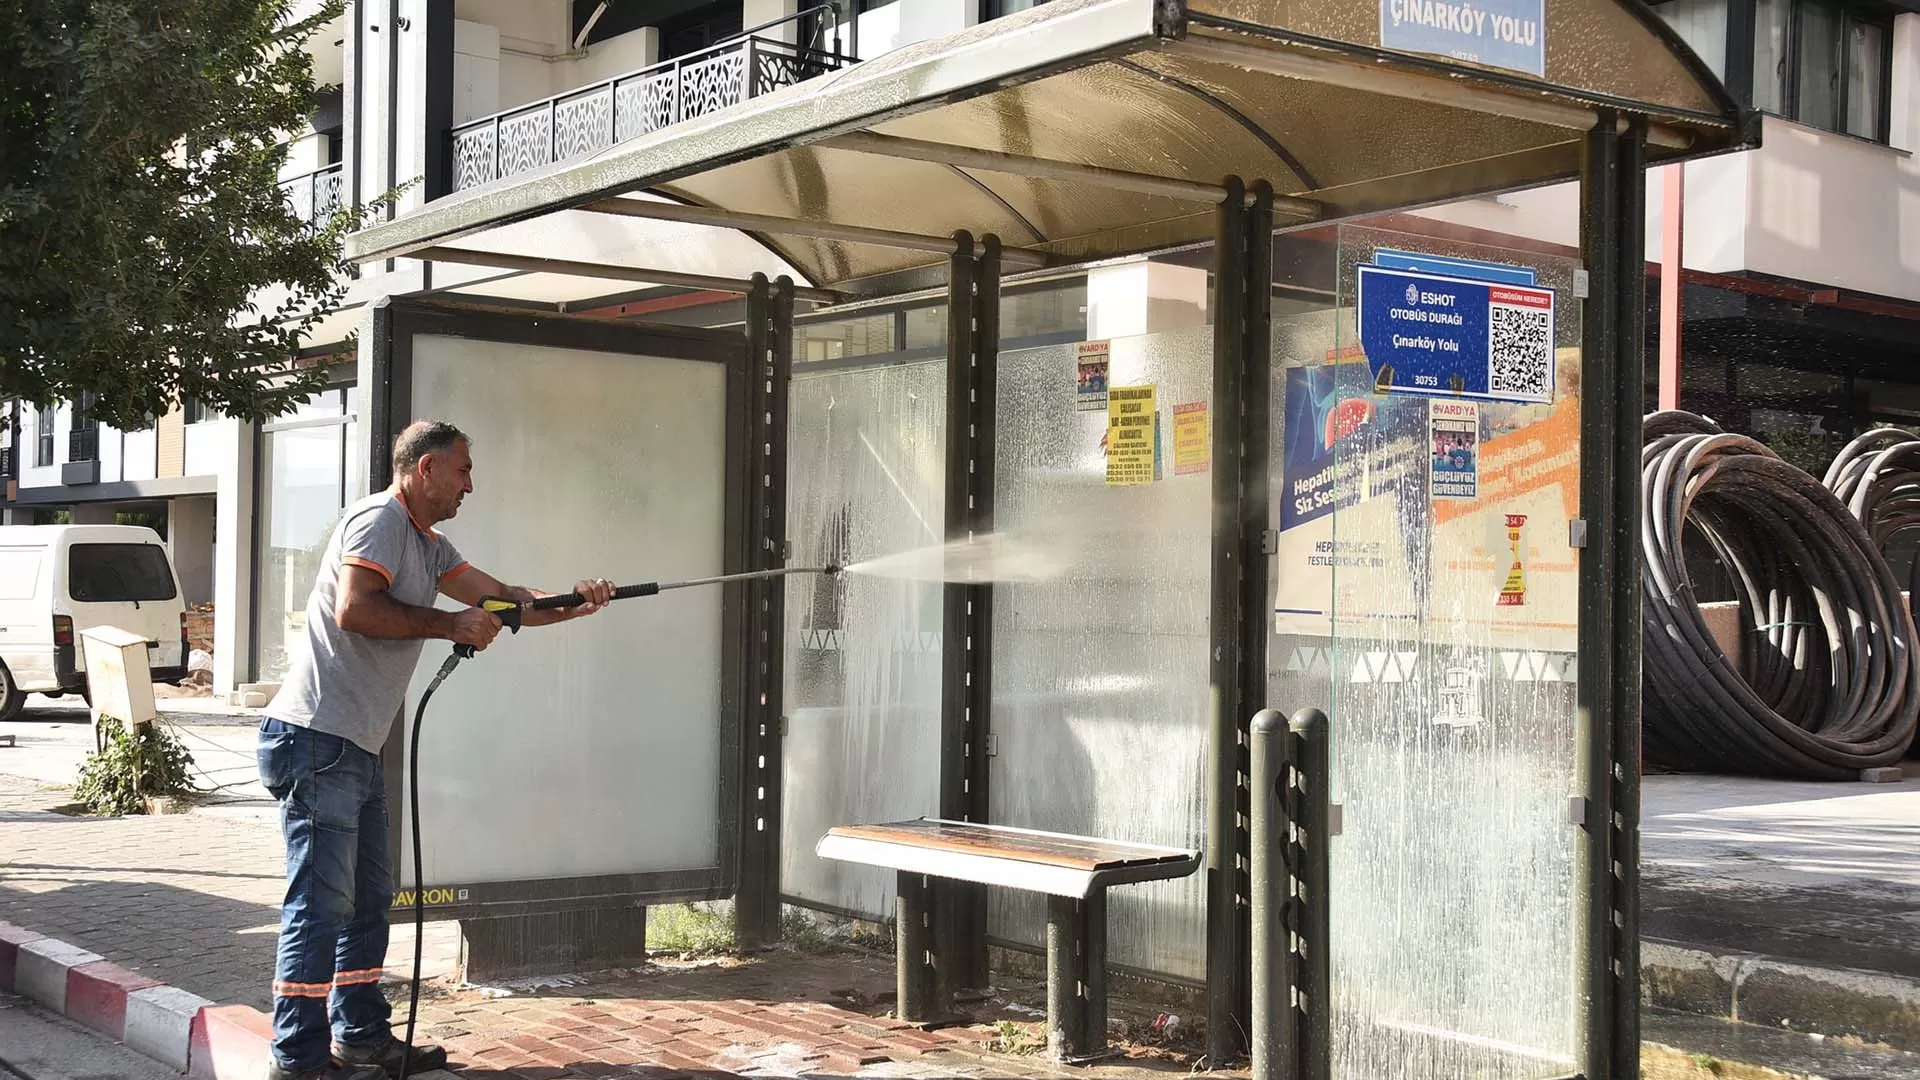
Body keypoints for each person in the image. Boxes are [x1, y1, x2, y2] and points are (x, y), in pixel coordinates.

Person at [256, 420, 616, 1080]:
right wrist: (448, 624)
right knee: (320, 906)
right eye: (463, 470)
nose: (470, 485)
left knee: (367, 904)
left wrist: (577, 602)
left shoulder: (431, 545)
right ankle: (297, 1062)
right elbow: (355, 609)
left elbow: (507, 602)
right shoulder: (379, 522)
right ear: (425, 470)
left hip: (354, 746)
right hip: (316, 739)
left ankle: (360, 1036)